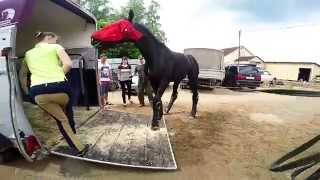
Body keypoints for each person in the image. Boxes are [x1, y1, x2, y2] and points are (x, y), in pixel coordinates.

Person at [19, 31, 88, 156]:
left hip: (38, 92)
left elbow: (23, 75)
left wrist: (27, 92)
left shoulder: (28, 54)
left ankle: (74, 143)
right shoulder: (55, 47)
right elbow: (68, 64)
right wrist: (59, 74)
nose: (57, 42)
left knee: (61, 119)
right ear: (48, 37)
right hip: (60, 88)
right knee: (66, 118)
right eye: (55, 39)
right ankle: (78, 147)